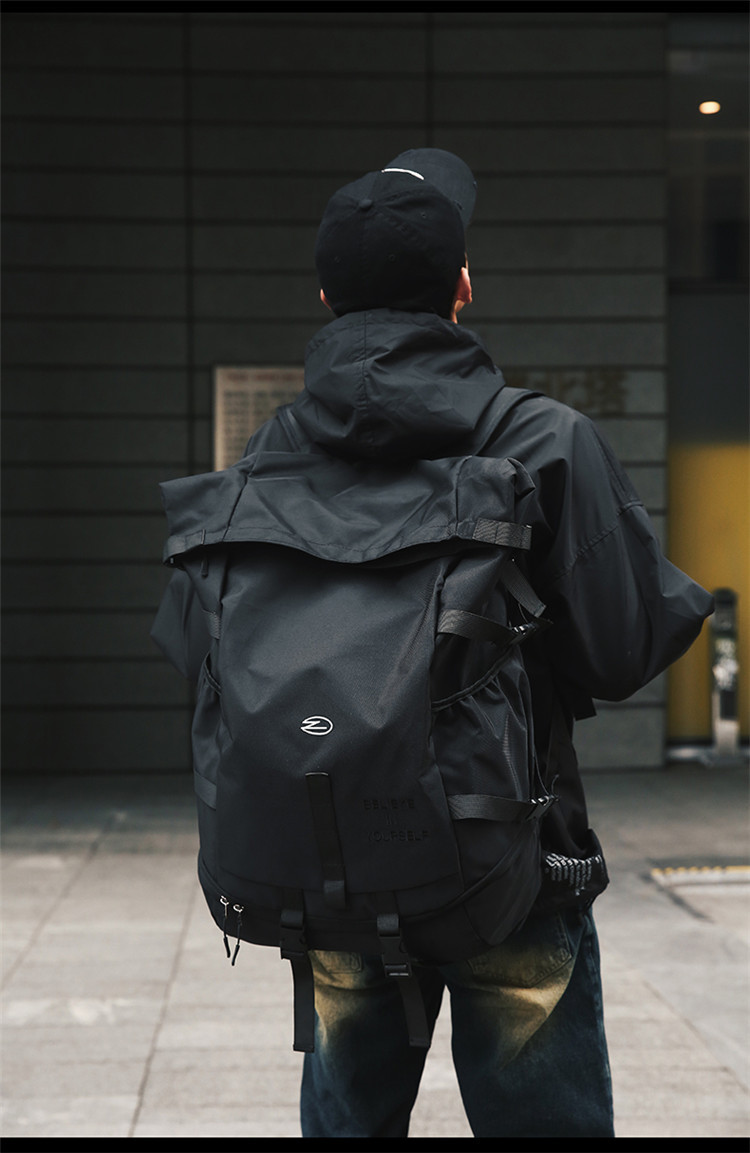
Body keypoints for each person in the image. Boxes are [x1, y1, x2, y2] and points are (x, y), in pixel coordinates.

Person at [152, 149, 713, 1138]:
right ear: (462, 287)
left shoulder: (270, 454)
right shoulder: (541, 439)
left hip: (331, 862)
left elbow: (202, 642)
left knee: (349, 1120)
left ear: (326, 297)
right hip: (516, 866)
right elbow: (622, 648)